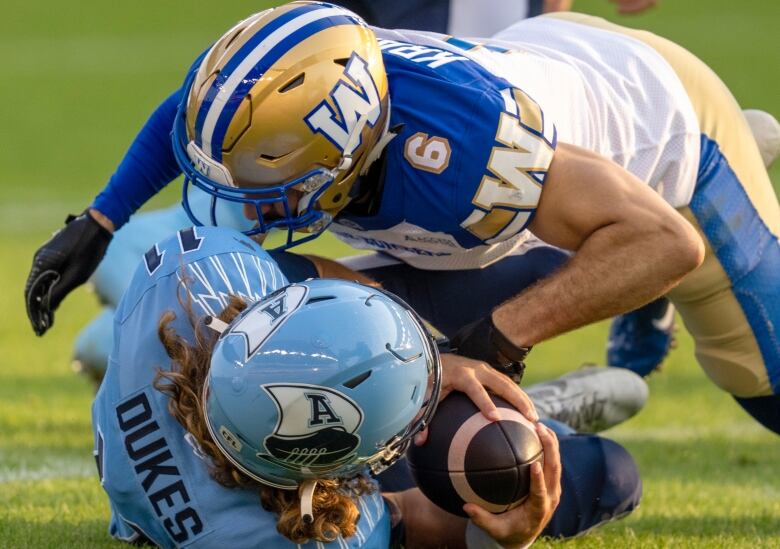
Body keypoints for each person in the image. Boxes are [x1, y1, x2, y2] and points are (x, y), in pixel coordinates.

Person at [25, 3, 779, 435]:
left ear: (349, 151)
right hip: (536, 140)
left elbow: (662, 241)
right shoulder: (308, 70)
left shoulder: (465, 158)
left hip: (667, 124)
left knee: (757, 376)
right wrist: (100, 219)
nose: (254, 201)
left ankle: (712, 179)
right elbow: (190, 111)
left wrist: (500, 340)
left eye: (275, 176)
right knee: (303, 323)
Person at [93, 225, 642, 547]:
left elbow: (309, 278)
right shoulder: (292, 536)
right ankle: (527, 419)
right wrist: (505, 540)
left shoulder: (202, 274)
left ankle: (504, 410)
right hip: (274, 494)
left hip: (262, 452)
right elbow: (411, 518)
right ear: (344, 466)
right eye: (408, 426)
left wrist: (429, 355)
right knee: (609, 475)